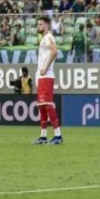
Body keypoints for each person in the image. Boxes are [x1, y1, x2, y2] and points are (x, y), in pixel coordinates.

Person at [34, 16, 63, 145]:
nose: (38, 26)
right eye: (37, 24)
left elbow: (54, 51)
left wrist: (45, 67)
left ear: (46, 25)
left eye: (40, 24)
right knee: (42, 106)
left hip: (47, 75)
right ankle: (43, 136)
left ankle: (58, 135)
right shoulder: (43, 39)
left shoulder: (49, 37)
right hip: (41, 76)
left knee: (47, 104)